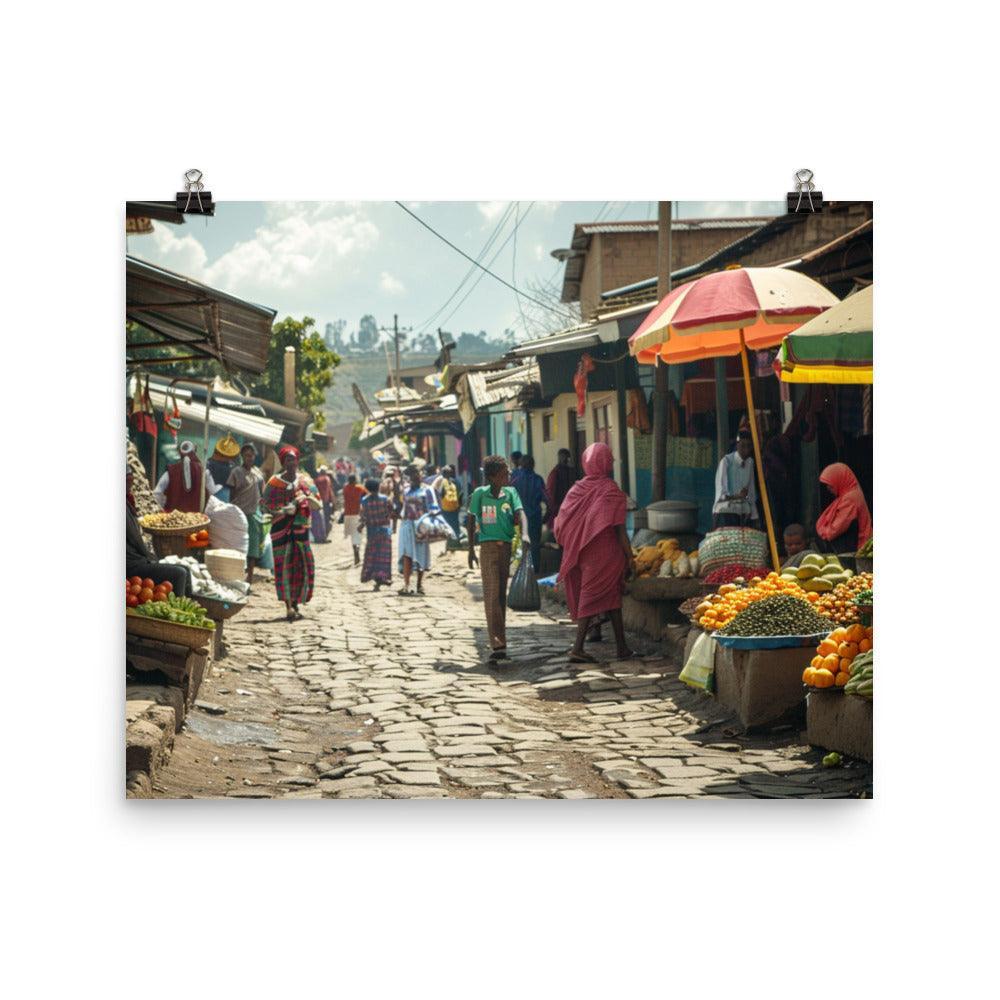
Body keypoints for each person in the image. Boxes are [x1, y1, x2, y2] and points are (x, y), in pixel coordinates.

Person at [554, 442, 635, 664]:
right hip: (605, 554)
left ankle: (622, 647)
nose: (613, 461)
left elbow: (560, 523)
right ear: (605, 462)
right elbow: (620, 531)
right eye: (610, 458)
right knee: (590, 598)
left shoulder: (576, 490)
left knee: (612, 599)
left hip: (583, 552)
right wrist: (630, 557)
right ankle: (578, 647)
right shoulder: (611, 491)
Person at [467, 455, 530, 662]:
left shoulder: (511, 493)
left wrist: (525, 533)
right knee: (492, 594)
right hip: (487, 548)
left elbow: (521, 514)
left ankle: (500, 641)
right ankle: (497, 644)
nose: (509, 475)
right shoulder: (479, 494)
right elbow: (471, 520)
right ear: (493, 476)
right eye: (504, 472)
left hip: (506, 549)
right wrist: (470, 549)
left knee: (500, 595)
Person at [262, 445, 322, 621]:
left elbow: (317, 502)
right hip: (281, 532)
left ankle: (296, 602)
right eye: (288, 459)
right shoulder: (274, 482)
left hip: (301, 531)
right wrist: (281, 511)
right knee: (284, 567)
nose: (291, 462)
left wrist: (305, 499)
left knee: (301, 565)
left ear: (297, 460)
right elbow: (264, 505)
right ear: (283, 461)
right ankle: (288, 605)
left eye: (293, 459)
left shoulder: (305, 481)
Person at [126, 466, 192, 597]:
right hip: (130, 564)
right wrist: (150, 558)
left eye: (131, 480)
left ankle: (190, 610)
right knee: (180, 574)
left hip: (135, 559)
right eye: (127, 481)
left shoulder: (127, 501)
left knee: (186, 570)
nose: (130, 484)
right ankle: (176, 614)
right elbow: (135, 539)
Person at [226, 442, 266, 584]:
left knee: (252, 548)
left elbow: (262, 493)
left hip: (253, 514)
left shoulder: (258, 473)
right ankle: (236, 575)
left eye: (252, 455)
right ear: (242, 456)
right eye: (247, 455)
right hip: (239, 514)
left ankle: (249, 577)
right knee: (238, 545)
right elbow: (232, 495)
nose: (249, 458)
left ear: (254, 456)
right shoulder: (236, 472)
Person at [397, 465, 439, 595]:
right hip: (406, 525)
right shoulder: (405, 491)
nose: (414, 479)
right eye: (411, 477)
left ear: (420, 476)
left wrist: (429, 522)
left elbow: (434, 508)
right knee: (406, 554)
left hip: (421, 526)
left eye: (416, 475)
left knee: (421, 554)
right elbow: (403, 508)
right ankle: (406, 585)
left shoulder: (428, 490)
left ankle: (420, 585)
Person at [815, 462, 872, 554]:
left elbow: (834, 530)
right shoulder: (850, 494)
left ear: (840, 480)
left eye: (830, 484)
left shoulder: (850, 499)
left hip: (857, 551)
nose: (828, 488)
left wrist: (823, 531)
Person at [153, 440, 219, 512]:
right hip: (199, 519)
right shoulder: (204, 472)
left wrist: (160, 511)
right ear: (195, 451)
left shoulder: (170, 472)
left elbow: (157, 493)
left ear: (179, 453)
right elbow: (212, 493)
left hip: (173, 519)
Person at [713, 429, 760, 528]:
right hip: (726, 513)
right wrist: (737, 496)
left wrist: (755, 517)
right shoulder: (726, 462)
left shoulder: (750, 462)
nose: (746, 450)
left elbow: (751, 492)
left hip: (743, 514)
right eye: (743, 446)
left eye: (749, 446)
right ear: (737, 445)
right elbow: (721, 495)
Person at [510, 454, 548, 568]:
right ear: (533, 465)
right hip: (535, 518)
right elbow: (547, 500)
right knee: (535, 546)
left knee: (520, 545)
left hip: (519, 519)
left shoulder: (515, 479)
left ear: (521, 465)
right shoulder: (538, 479)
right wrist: (546, 517)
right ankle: (534, 572)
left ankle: (521, 572)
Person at [359, 476, 394, 591]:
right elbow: (391, 512)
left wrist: (361, 525)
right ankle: (382, 577)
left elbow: (363, 518)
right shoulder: (385, 499)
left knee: (372, 556)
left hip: (372, 532)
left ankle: (376, 578)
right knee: (383, 556)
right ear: (379, 487)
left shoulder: (364, 501)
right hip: (385, 531)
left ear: (367, 488)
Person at [544, 448, 578, 525]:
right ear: (559, 457)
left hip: (570, 505)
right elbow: (550, 491)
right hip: (558, 506)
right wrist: (552, 507)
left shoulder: (571, 471)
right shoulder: (555, 472)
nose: (565, 459)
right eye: (563, 457)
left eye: (567, 457)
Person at [342, 474, 366, 566]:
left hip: (348, 514)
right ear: (355, 480)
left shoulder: (345, 488)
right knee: (358, 535)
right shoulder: (359, 488)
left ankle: (355, 550)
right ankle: (357, 549)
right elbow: (366, 494)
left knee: (353, 535)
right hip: (357, 514)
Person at [436, 464, 463, 539]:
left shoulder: (442, 482)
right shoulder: (455, 482)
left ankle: (451, 541)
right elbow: (461, 493)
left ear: (443, 473)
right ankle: (457, 538)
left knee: (447, 524)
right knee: (455, 522)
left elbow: (441, 493)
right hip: (455, 506)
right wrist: (459, 505)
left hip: (445, 507)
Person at [314, 465, 335, 533]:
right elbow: (329, 491)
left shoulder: (316, 479)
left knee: (320, 518)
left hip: (318, 500)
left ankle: (321, 533)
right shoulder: (327, 479)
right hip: (326, 501)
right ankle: (325, 533)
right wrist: (332, 500)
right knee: (326, 517)